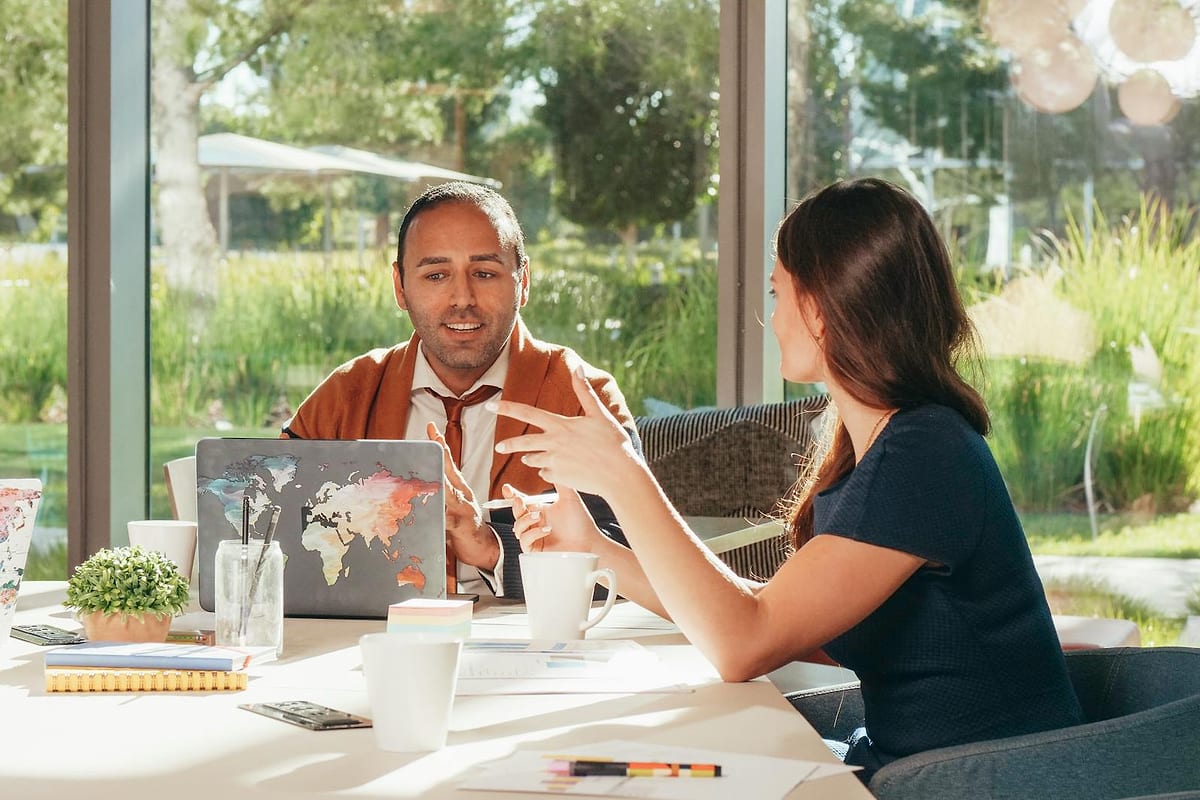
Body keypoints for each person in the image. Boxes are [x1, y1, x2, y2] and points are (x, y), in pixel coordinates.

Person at [490, 178, 1083, 783]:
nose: (770, 318)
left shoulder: (924, 454)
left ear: (823, 310)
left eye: (777, 293)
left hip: (982, 782)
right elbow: (768, 619)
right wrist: (596, 548)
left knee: (614, 777)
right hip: (909, 769)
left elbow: (744, 643)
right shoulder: (881, 450)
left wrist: (624, 474)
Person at [281, 181, 640, 600]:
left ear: (523, 282)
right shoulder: (344, 397)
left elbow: (637, 572)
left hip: (530, 647)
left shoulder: (584, 399)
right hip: (371, 644)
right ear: (400, 286)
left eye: (485, 273)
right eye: (436, 275)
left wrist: (490, 547)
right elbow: (273, 546)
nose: (462, 298)